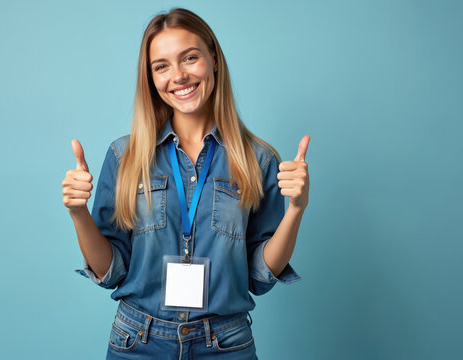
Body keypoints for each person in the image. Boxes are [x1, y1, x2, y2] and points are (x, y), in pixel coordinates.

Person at [62, 7, 310, 359]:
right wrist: (77, 213)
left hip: (225, 344)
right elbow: (112, 270)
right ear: (151, 78)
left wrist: (296, 211)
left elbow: (259, 274)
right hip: (138, 341)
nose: (177, 76)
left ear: (213, 60)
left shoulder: (259, 160)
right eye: (161, 66)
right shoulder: (123, 157)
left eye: (189, 58)